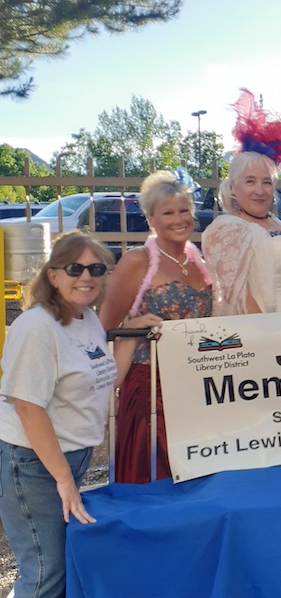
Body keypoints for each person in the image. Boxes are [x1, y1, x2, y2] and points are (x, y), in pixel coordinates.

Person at [0, 232, 117, 598]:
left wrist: (140, 332)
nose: (86, 277)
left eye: (96, 269)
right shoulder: (37, 327)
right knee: (44, 567)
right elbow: (27, 406)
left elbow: (104, 375)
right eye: (75, 268)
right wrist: (64, 481)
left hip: (69, 455)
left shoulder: (87, 320)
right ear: (52, 274)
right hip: (33, 459)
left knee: (57, 562)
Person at [99, 171, 213, 483]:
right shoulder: (137, 263)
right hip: (151, 390)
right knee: (154, 478)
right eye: (167, 213)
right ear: (151, 218)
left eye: (184, 210)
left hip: (194, 386)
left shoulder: (200, 262)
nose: (178, 219)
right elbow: (101, 328)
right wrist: (133, 326)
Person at [201, 89, 281, 314]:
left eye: (266, 182)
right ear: (233, 187)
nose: (260, 190)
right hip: (265, 334)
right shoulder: (228, 230)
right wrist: (266, 337)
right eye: (250, 181)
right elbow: (236, 294)